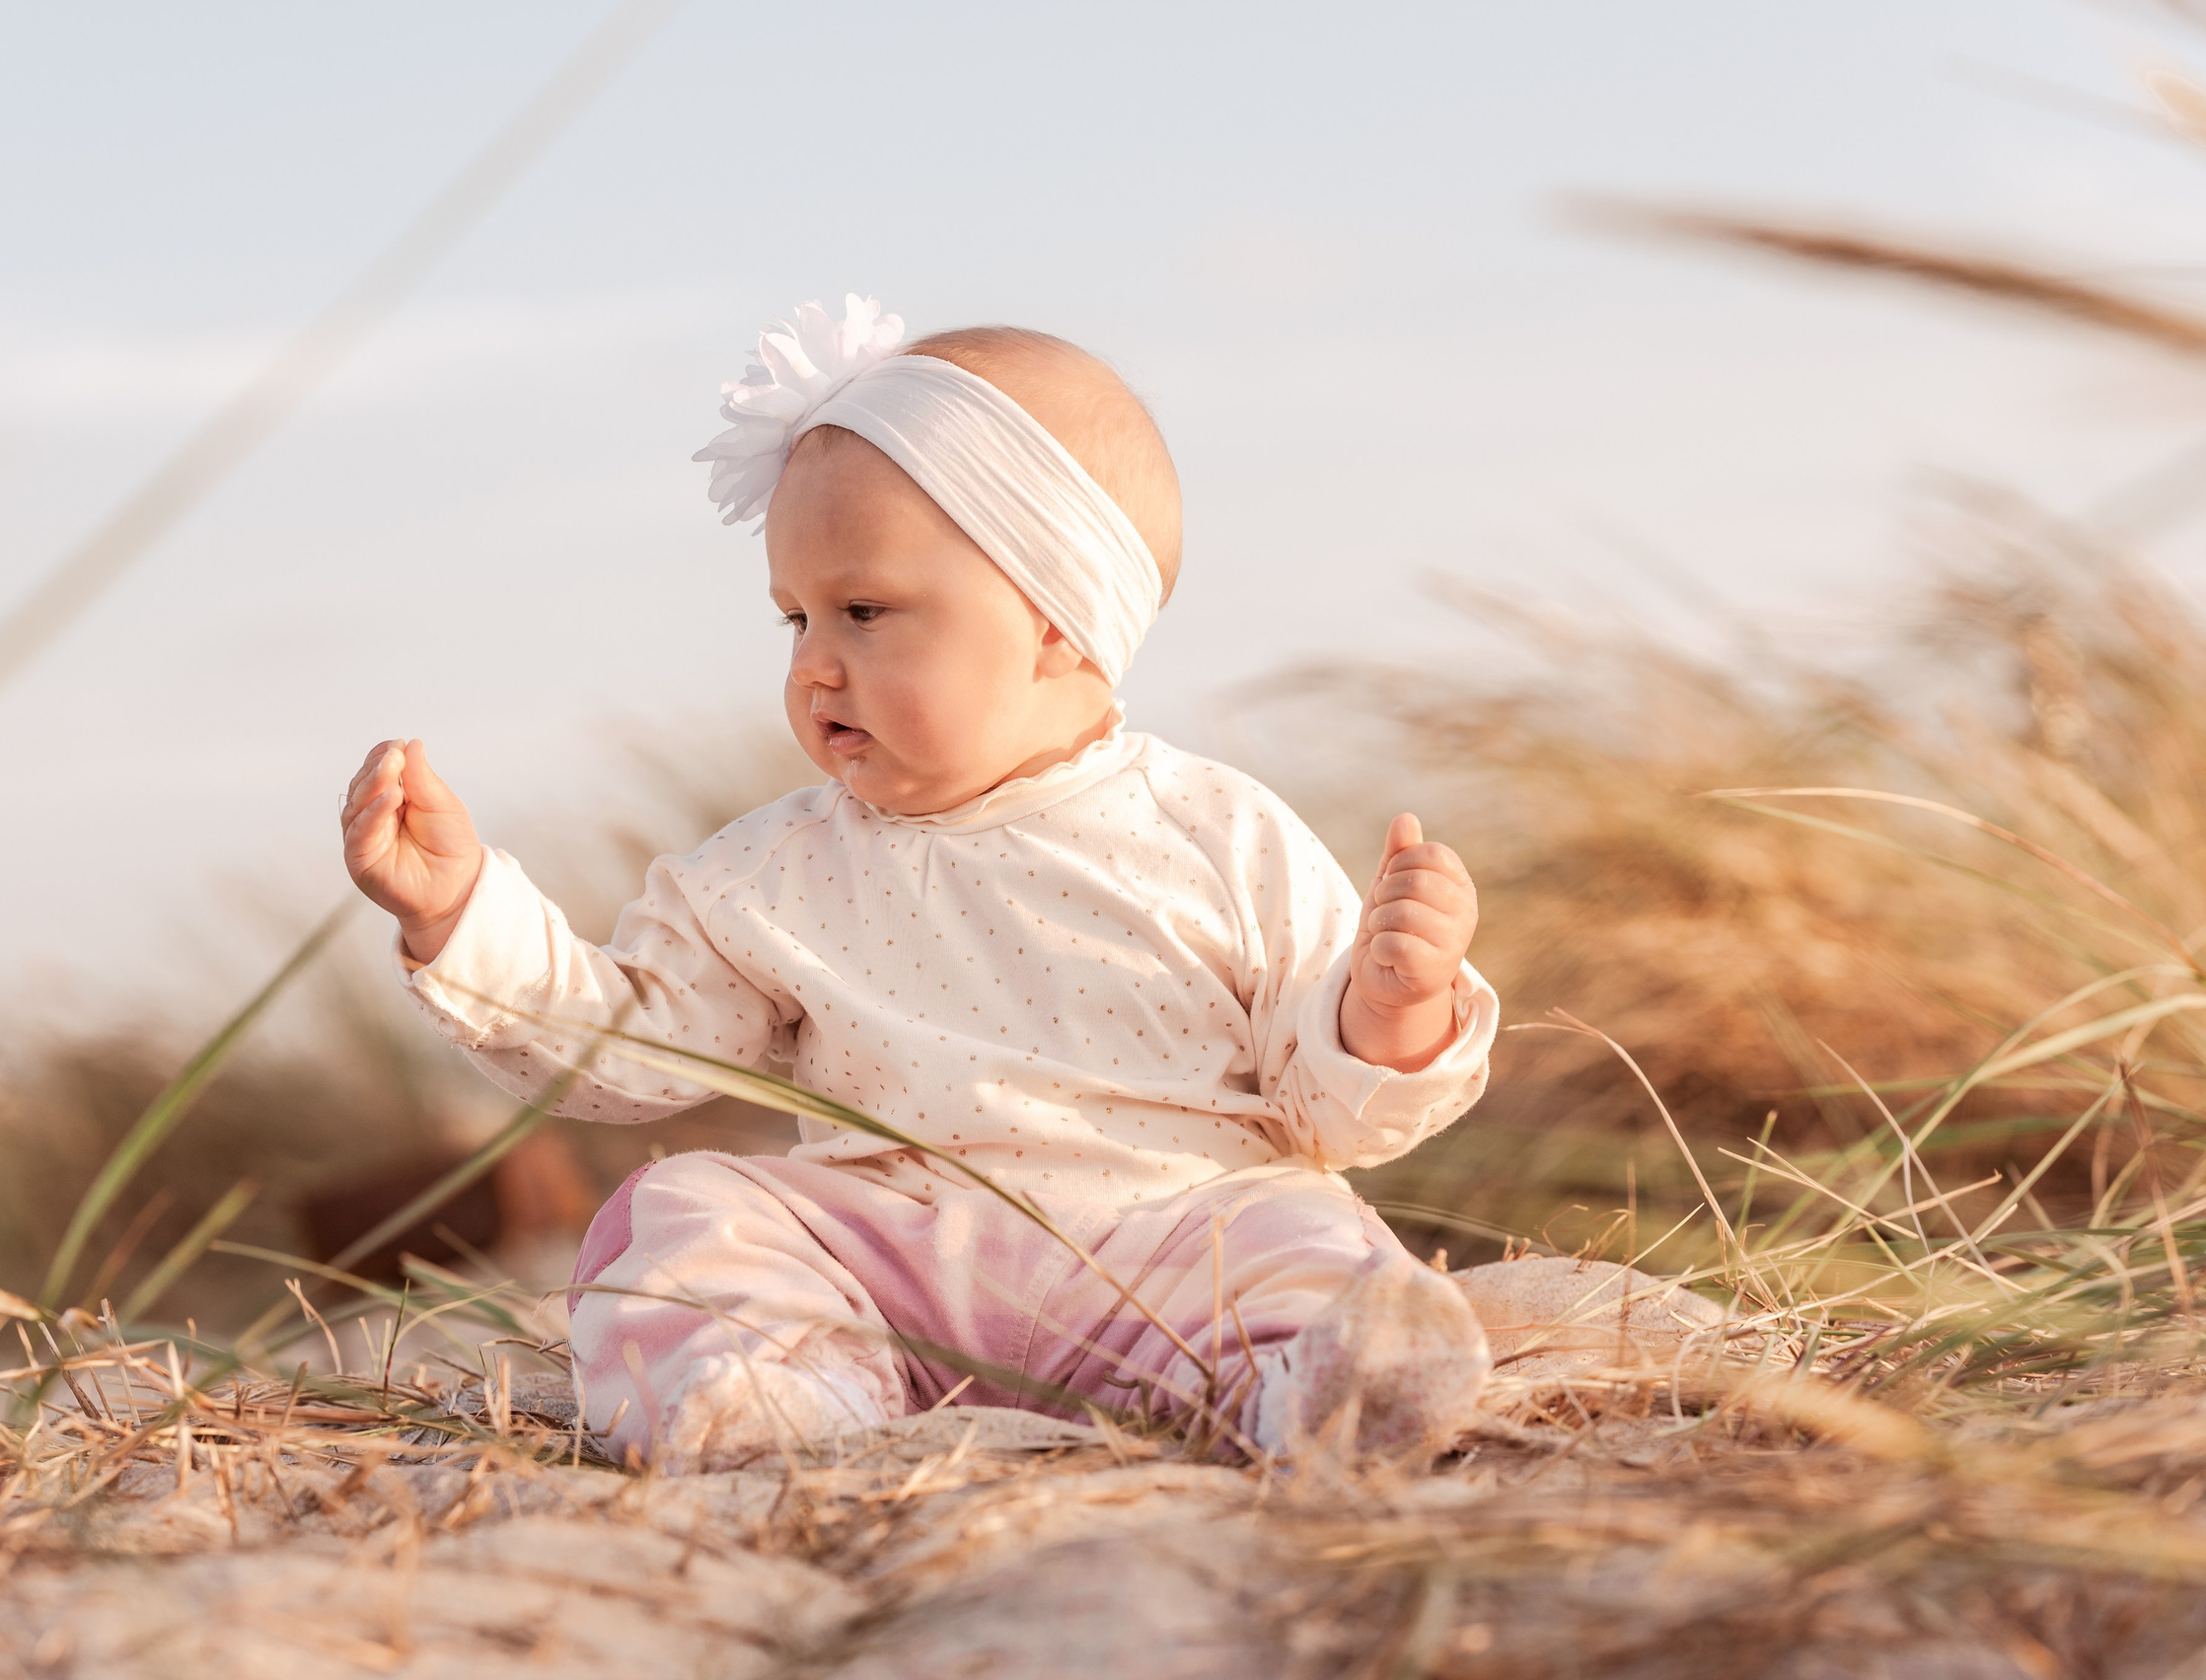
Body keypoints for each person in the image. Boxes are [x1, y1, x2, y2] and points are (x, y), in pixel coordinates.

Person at [340, 297, 1499, 1471]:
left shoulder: (1221, 832)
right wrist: (459, 912)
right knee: (684, 1205)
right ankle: (788, 1400)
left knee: (1302, 1226)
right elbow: (629, 1044)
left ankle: (1302, 1393)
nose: (812, 665)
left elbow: (1324, 1112)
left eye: (863, 610)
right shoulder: (776, 866)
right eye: (794, 617)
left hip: (1167, 1258)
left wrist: (1392, 1008)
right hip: (889, 1275)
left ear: (1055, 620)